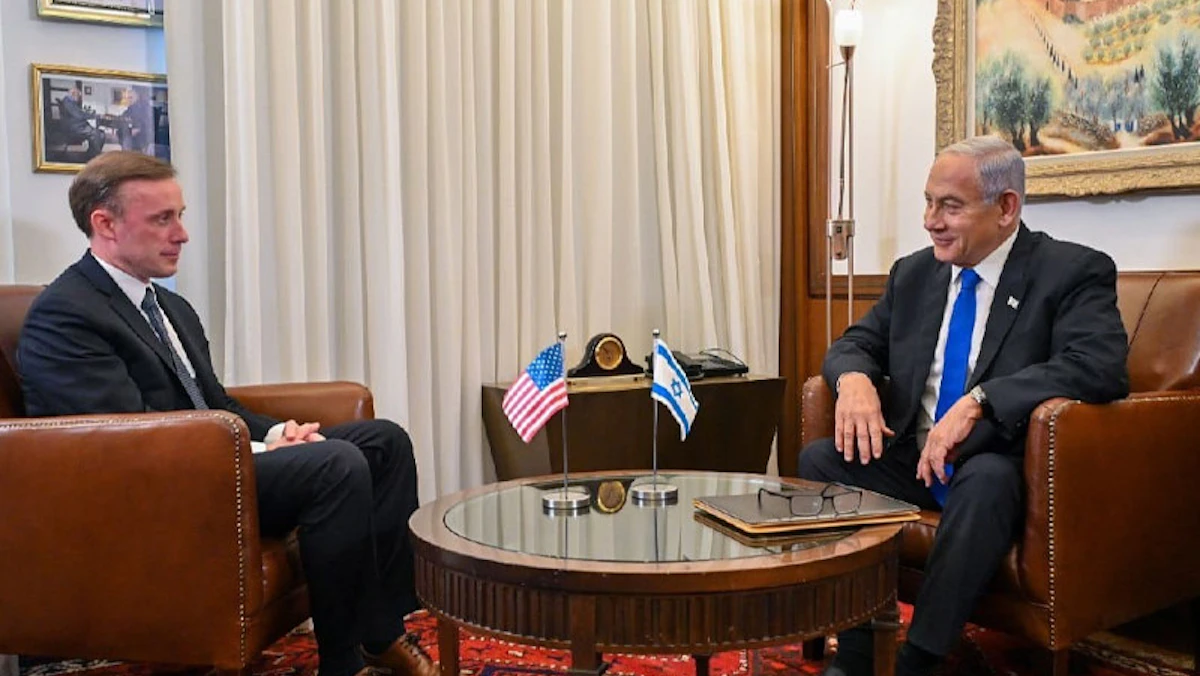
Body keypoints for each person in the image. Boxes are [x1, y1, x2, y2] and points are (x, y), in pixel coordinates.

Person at [17, 151, 436, 676]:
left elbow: (213, 402)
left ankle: (381, 629)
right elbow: (127, 436)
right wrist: (258, 447)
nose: (182, 234)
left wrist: (279, 431)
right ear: (105, 224)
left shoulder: (170, 308)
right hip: (154, 488)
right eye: (162, 219)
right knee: (335, 464)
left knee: (383, 441)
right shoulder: (66, 314)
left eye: (180, 215)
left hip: (210, 464)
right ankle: (343, 662)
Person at [798, 136, 1128, 676]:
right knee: (822, 461)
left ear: (1006, 207)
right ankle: (858, 651)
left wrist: (982, 401)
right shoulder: (914, 274)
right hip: (915, 457)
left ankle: (919, 658)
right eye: (929, 202)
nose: (931, 221)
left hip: (996, 462)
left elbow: (1099, 365)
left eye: (950, 206)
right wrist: (853, 379)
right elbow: (856, 342)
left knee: (987, 480)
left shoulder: (1070, 271)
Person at [57, 87, 107, 159]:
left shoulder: (69, 102)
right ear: (73, 94)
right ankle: (95, 156)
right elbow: (79, 115)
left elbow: (78, 114)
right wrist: (95, 116)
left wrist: (92, 115)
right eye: (78, 96)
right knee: (97, 134)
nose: (79, 98)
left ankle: (92, 154)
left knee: (101, 134)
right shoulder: (68, 103)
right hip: (74, 128)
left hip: (78, 126)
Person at [118, 86, 154, 152]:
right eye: (128, 98)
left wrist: (138, 129)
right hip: (130, 140)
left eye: (131, 97)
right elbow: (123, 119)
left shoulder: (145, 109)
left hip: (140, 142)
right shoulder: (129, 109)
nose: (129, 100)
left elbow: (147, 125)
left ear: (137, 96)